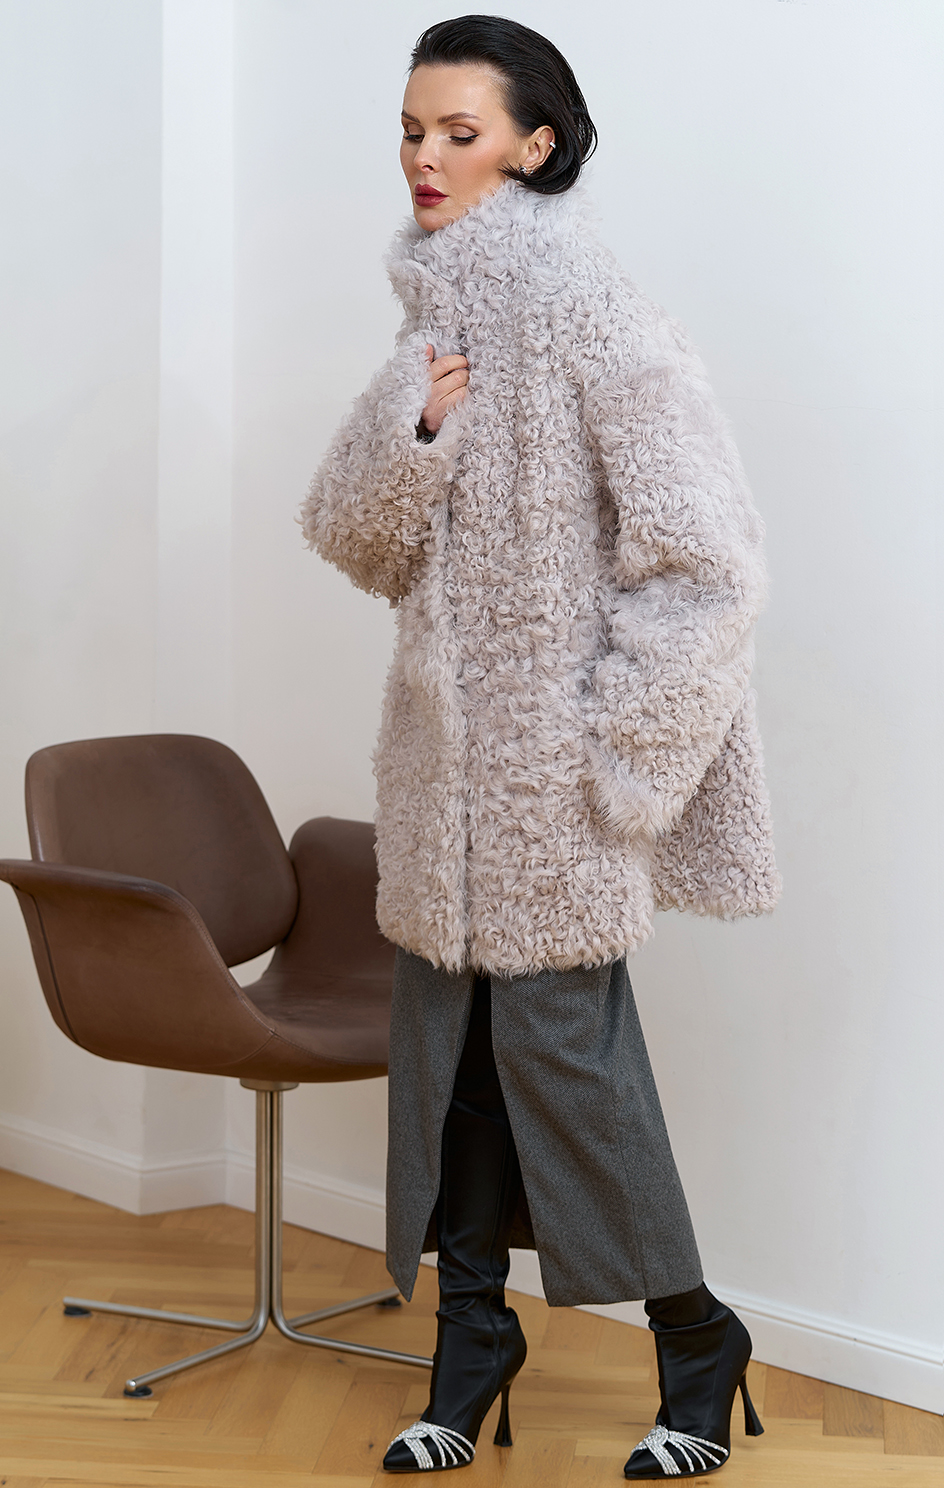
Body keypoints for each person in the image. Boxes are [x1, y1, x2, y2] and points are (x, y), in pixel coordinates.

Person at [301, 14, 780, 1479]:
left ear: (534, 145)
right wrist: (417, 432)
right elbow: (353, 539)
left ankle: (697, 1335)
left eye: (459, 132)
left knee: (570, 1067)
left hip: (552, 788)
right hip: (438, 783)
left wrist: (616, 752)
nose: (425, 157)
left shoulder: (590, 306)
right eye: (411, 130)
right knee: (451, 1068)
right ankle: (472, 1338)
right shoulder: (432, 319)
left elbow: (709, 563)